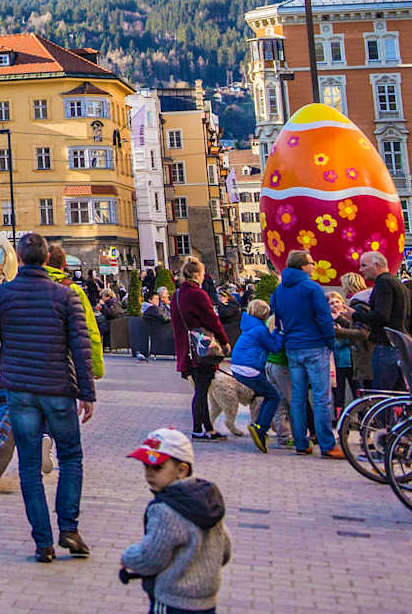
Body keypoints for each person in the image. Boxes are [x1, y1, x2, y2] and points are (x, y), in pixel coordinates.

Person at [0, 233, 96, 563]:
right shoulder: (66, 296)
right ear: (46, 260)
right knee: (71, 456)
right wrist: (87, 393)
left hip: (22, 391)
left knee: (29, 465)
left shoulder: (3, 295)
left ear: (20, 258)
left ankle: (43, 542)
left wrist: (10, 367)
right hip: (59, 389)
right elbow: (80, 349)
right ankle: (69, 529)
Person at [119, 428, 233, 614]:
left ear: (181, 470)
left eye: (157, 467)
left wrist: (128, 557)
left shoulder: (165, 510)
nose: (149, 474)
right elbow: (225, 551)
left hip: (172, 601)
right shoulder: (207, 502)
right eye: (146, 466)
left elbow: (152, 557)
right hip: (206, 602)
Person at [271, 250, 339, 458]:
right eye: (311, 262)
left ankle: (301, 442)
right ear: (302, 266)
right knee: (321, 397)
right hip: (315, 345)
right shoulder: (312, 288)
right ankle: (327, 444)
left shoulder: (280, 289)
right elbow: (324, 317)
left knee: (298, 397)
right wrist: (331, 342)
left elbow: (278, 316)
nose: (313, 265)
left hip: (293, 346)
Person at [170, 259, 229, 443]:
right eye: (202, 274)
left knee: (200, 388)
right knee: (202, 390)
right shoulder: (198, 295)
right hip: (202, 348)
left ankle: (209, 428)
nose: (204, 277)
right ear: (196, 275)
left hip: (186, 348)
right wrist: (225, 342)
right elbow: (212, 320)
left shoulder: (177, 295)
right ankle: (198, 429)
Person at [226, 298, 285, 452]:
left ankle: (259, 425)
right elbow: (275, 347)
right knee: (274, 396)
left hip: (238, 366)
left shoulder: (250, 326)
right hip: (249, 368)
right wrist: (280, 331)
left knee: (268, 394)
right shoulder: (261, 330)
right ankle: (260, 427)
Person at [351, 251, 412, 391]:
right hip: (402, 347)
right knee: (400, 399)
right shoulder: (400, 284)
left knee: (382, 398)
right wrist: (407, 339)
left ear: (376, 265)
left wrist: (356, 315)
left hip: (385, 346)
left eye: (363, 265)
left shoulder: (383, 283)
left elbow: (381, 315)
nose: (360, 270)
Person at [46, 243, 104, 381]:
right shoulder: (73, 290)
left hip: (26, 370)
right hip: (63, 365)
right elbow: (89, 329)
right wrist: (96, 367)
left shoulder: (25, 285)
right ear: (64, 264)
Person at [138, 288, 172, 362]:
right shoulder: (153, 308)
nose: (157, 301)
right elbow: (164, 318)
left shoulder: (147, 308)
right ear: (150, 300)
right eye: (155, 299)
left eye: (158, 299)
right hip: (161, 330)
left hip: (155, 330)